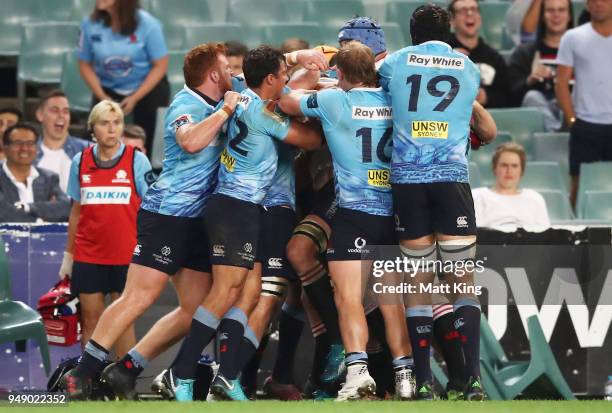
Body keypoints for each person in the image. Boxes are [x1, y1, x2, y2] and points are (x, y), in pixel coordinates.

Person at [60, 43, 241, 400]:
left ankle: (128, 368)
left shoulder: (220, 100)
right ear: (214, 75)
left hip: (198, 221)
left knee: (196, 310)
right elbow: (190, 142)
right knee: (139, 296)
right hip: (167, 215)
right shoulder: (186, 104)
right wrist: (225, 113)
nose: (233, 74)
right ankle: (82, 373)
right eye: (227, 69)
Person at [167, 45, 323, 402]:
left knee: (250, 292)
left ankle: (228, 375)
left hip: (244, 208)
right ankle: (181, 371)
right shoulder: (261, 114)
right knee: (226, 291)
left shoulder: (242, 95)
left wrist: (300, 63)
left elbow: (286, 83)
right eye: (281, 74)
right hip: (233, 207)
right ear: (270, 79)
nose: (285, 78)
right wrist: (324, 114)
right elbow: (309, 140)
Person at [280, 41, 415, 401]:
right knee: (391, 301)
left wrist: (309, 72)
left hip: (354, 214)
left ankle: (358, 373)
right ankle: (405, 376)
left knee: (349, 298)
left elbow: (285, 100)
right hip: (392, 213)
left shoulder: (336, 101)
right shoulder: (392, 100)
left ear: (339, 73)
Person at [379, 4, 496, 400]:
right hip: (451, 180)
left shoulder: (394, 62)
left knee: (417, 280)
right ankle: (474, 381)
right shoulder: (468, 68)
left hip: (408, 181)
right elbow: (480, 122)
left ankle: (425, 381)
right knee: (463, 281)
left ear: (411, 33)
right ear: (448, 33)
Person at [60, 100, 153, 354]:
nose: (112, 129)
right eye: (104, 123)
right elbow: (76, 212)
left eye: (117, 123)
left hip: (126, 255)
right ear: (93, 129)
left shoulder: (137, 160)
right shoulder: (80, 161)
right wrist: (69, 256)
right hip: (89, 255)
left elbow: (151, 209)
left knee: (123, 322)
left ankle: (123, 385)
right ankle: (89, 383)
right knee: (90, 319)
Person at [77, 0, 170, 154]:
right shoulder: (89, 25)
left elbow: (160, 65)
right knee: (92, 133)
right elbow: (84, 64)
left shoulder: (148, 24)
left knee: (149, 134)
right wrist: (102, 96)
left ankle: (145, 171)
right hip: (107, 88)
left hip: (146, 88)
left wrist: (135, 97)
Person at [555, 0, 612, 207]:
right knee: (578, 184)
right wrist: (572, 121)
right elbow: (561, 83)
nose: (598, 4)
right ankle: (573, 233)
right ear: (586, 4)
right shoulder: (573, 37)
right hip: (586, 125)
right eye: (593, 0)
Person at [508, 0, 573, 128]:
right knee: (532, 96)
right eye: (550, 11)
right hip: (540, 107)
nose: (556, 15)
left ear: (569, 16)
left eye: (561, 10)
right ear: (542, 16)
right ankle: (556, 134)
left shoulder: (580, 51)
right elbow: (509, 95)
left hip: (570, 108)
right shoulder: (525, 52)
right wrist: (529, 80)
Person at [0, 124, 70, 223]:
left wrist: (28, 207)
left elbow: (65, 208)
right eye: (18, 143)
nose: (24, 148)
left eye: (30, 143)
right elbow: (4, 214)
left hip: (46, 238)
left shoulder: (49, 178)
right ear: (5, 147)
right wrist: (40, 222)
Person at [448, 0, 510, 108]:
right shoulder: (443, 51)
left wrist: (486, 97)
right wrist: (448, 59)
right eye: (463, 10)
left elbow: (509, 96)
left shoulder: (494, 57)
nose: (469, 14)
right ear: (452, 20)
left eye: (473, 9)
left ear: (480, 18)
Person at [473, 143, 550, 227]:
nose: (509, 171)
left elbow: (545, 236)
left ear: (522, 171)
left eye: (514, 166)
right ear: (494, 168)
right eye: (504, 165)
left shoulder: (535, 198)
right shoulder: (478, 196)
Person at [35, 90, 91, 193]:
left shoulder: (89, 151)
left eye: (66, 111)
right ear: (40, 115)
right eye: (55, 110)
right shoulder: (28, 155)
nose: (61, 115)